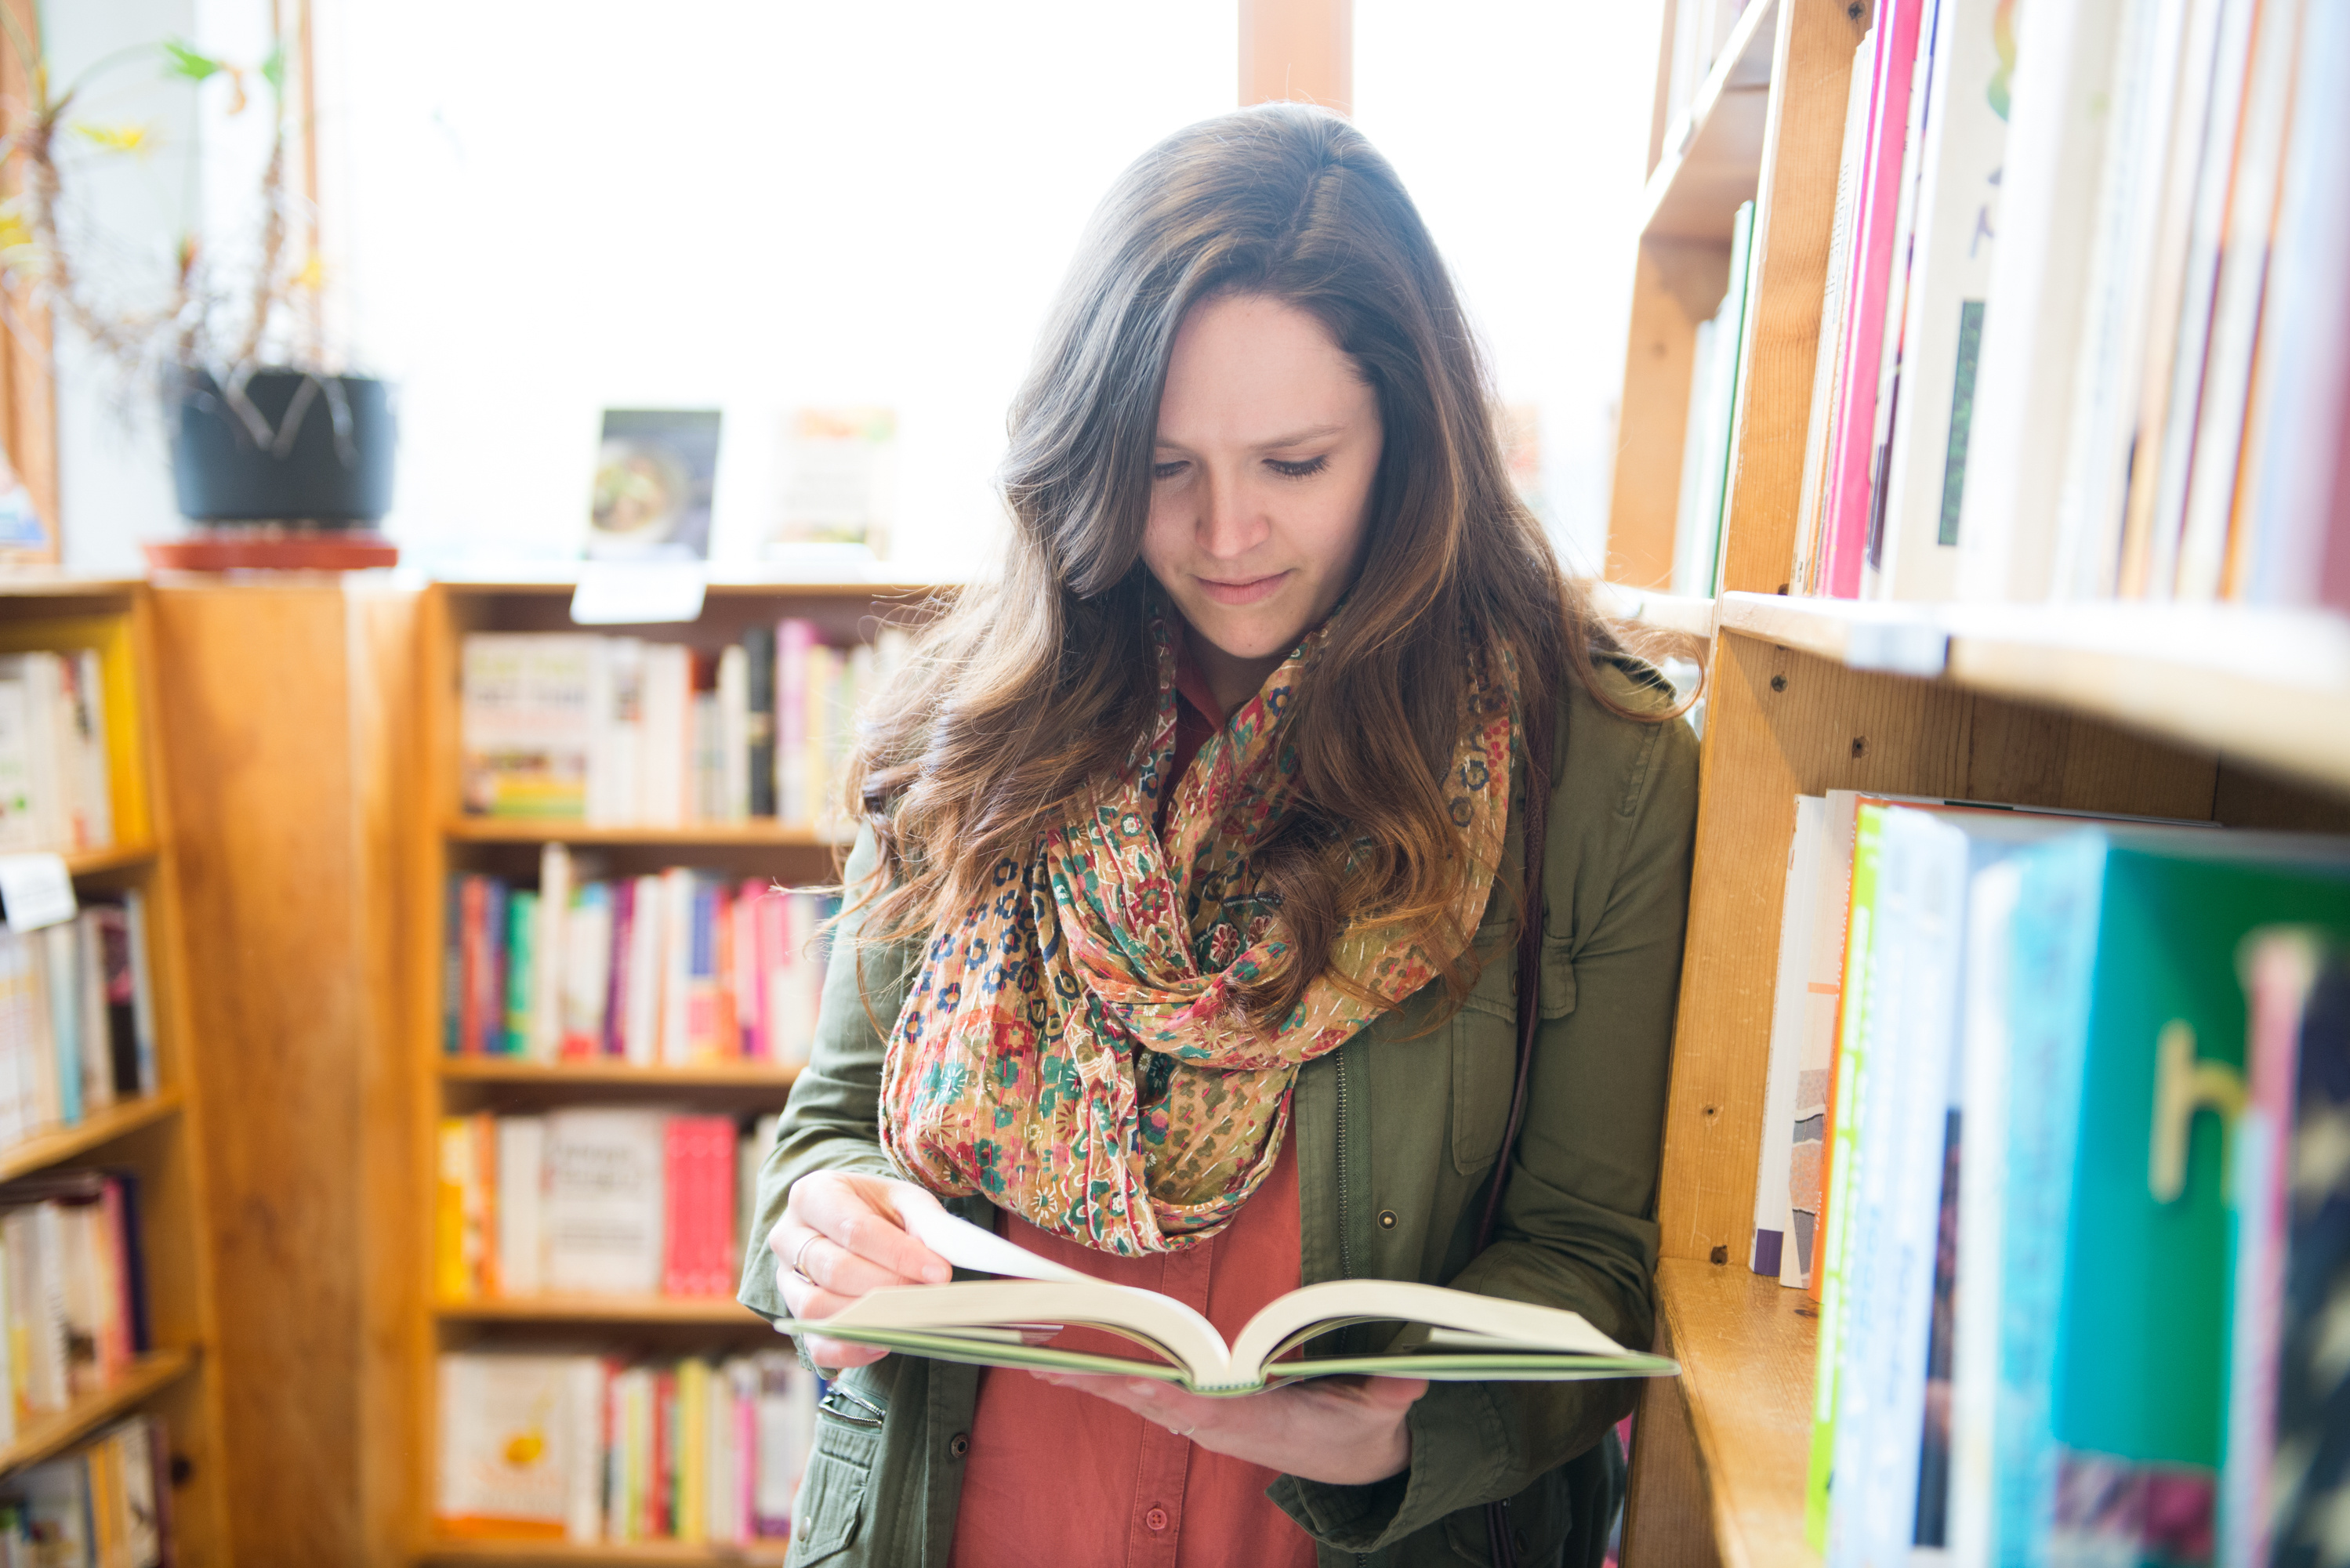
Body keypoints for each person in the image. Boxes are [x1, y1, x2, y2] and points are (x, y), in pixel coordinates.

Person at [737, 102, 1697, 1568]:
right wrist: (818, 1224)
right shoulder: (971, 718)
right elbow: (832, 1129)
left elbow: (1597, 1254)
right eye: (1163, 465)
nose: (1223, 532)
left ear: (1410, 435)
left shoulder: (1594, 766)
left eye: (1295, 463)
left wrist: (1398, 1431)